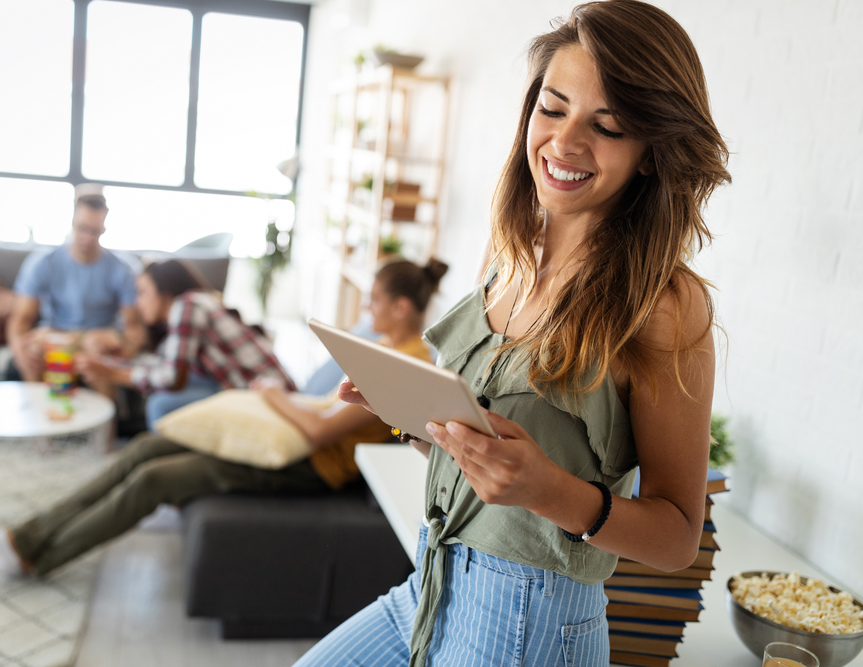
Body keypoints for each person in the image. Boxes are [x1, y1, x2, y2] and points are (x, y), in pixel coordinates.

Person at [296, 2, 730, 666]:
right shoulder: (508, 257)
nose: (564, 142)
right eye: (552, 109)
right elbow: (492, 479)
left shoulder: (666, 304)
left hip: (530, 625)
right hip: (432, 585)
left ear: (651, 153)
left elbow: (677, 537)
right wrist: (419, 425)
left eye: (607, 125)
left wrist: (549, 489)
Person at [0, 258, 448, 577]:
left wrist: (270, 396)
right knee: (144, 448)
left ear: (402, 307)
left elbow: (319, 430)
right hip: (294, 433)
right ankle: (21, 536)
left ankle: (33, 555)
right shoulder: (388, 345)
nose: (366, 306)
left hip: (311, 465)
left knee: (154, 479)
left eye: (375, 299)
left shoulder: (405, 364)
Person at [74, 259, 296, 429]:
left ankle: (162, 457)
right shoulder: (193, 303)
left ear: (163, 292)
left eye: (142, 293)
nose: (137, 302)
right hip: (248, 387)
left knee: (160, 403)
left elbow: (170, 377)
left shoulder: (187, 305)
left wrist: (111, 373)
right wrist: (120, 360)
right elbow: (164, 362)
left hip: (270, 399)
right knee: (172, 383)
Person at [7, 190, 145, 396]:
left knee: (96, 347)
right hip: (57, 336)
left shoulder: (121, 269)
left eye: (95, 231)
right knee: (34, 347)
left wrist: (125, 352)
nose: (87, 237)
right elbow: (20, 319)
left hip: (98, 337)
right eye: (82, 228)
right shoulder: (44, 263)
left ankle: (104, 423)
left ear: (104, 229)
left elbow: (134, 327)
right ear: (72, 222)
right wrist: (19, 352)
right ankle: (39, 418)